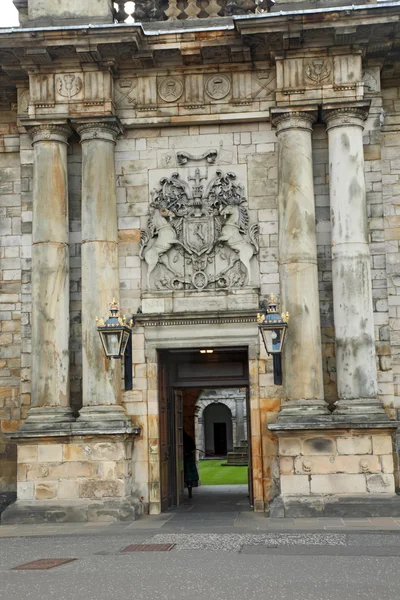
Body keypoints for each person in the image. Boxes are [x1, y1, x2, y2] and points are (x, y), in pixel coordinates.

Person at [183, 430, 199, 499]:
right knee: (189, 478)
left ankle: (189, 492)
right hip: (188, 458)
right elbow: (193, 448)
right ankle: (190, 492)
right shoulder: (189, 438)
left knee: (187, 477)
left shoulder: (183, 439)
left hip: (186, 458)